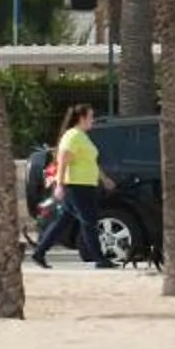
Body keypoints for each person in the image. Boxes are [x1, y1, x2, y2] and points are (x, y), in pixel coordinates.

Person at [33, 104, 113, 269]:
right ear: (82, 118)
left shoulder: (82, 136)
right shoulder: (73, 136)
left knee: (63, 221)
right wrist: (60, 185)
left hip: (85, 185)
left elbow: (91, 162)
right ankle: (99, 258)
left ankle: (39, 252)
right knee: (88, 221)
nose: (93, 120)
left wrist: (104, 179)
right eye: (91, 116)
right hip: (76, 186)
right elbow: (63, 161)